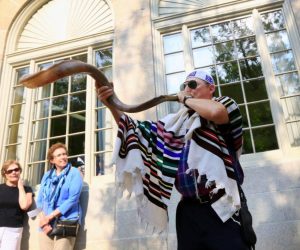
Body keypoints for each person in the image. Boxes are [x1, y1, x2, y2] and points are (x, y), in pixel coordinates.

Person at [97, 69, 249, 250]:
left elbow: (216, 113)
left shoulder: (224, 104)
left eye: (192, 85)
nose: (186, 89)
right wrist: (111, 104)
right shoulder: (174, 124)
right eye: (183, 86)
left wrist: (185, 99)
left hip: (222, 205)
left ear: (211, 88)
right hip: (188, 210)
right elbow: (133, 130)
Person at [36, 143, 83, 250]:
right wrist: (43, 219)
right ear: (52, 160)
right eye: (59, 155)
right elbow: (40, 200)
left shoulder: (74, 173)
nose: (63, 157)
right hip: (46, 223)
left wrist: (50, 216)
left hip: (66, 221)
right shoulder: (47, 175)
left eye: (64, 154)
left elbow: (73, 199)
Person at [0, 160, 33, 250]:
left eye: (16, 169)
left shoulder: (27, 190)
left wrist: (20, 187)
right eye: (10, 171)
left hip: (13, 230)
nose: (14, 172)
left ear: (20, 171)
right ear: (5, 174)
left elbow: (24, 206)